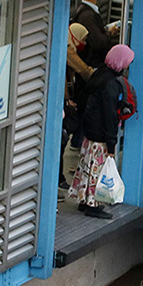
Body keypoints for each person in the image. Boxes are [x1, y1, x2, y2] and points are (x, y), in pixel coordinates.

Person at [69, 44, 132, 219]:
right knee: (98, 170)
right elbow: (109, 114)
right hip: (100, 135)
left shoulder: (100, 74)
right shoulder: (111, 83)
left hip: (90, 131)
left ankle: (83, 200)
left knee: (87, 167)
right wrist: (112, 142)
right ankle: (93, 204)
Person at [61, 22, 94, 188]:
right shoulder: (67, 50)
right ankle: (59, 178)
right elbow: (84, 70)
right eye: (84, 39)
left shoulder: (69, 46)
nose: (85, 44)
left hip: (64, 100)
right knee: (60, 139)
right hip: (61, 102)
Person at [72, 0, 113, 70]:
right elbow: (98, 42)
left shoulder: (82, 10)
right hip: (92, 64)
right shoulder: (88, 16)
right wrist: (110, 32)